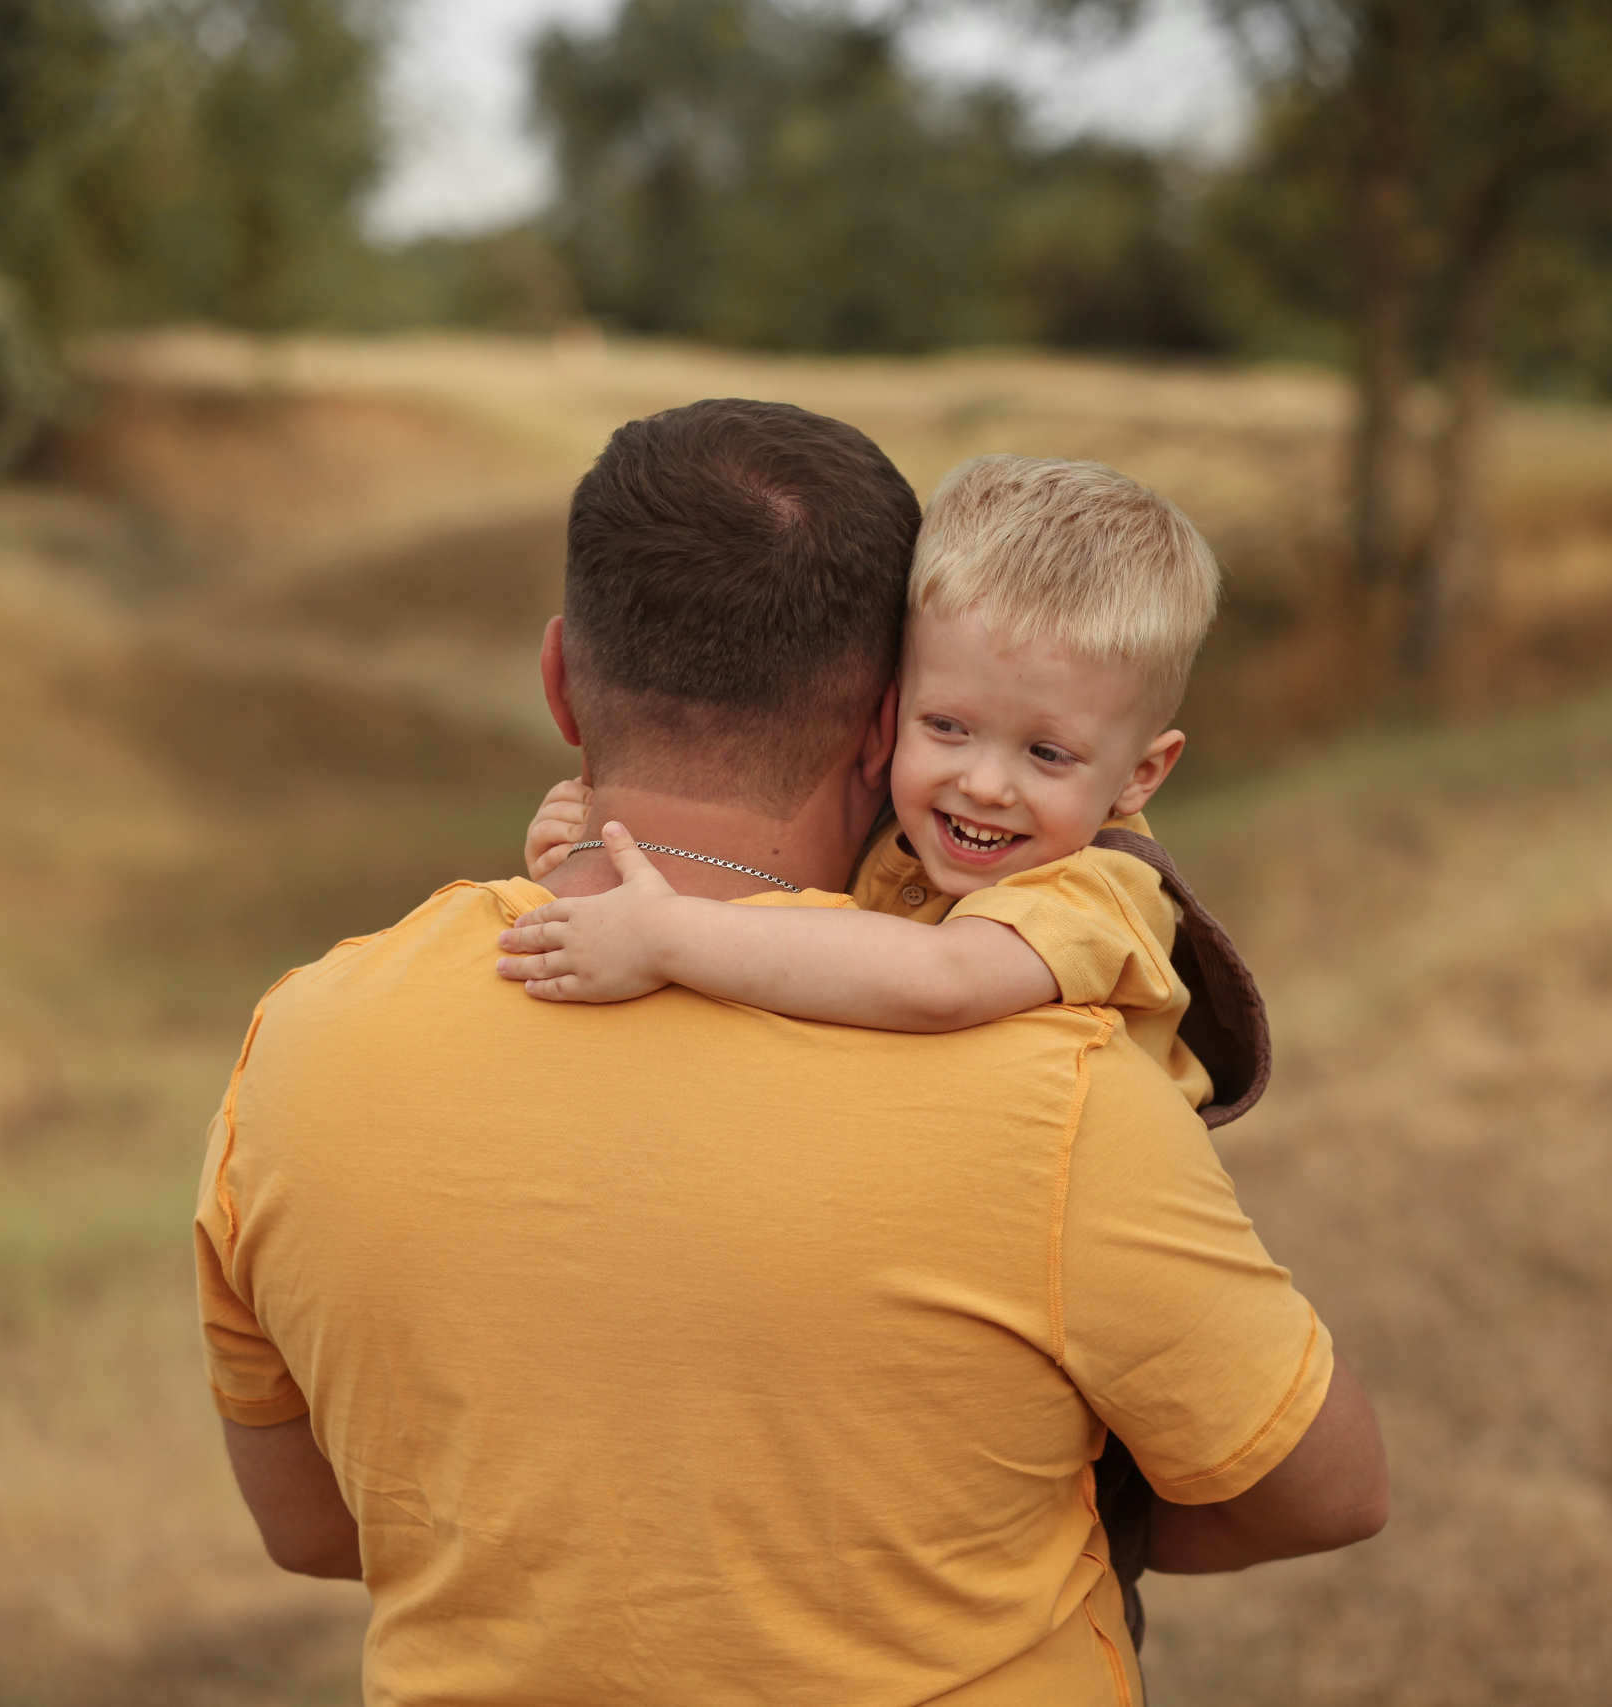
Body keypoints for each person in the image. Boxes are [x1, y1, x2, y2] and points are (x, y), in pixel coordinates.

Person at [195, 400, 1389, 1707]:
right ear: (886, 723)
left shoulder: (299, 1045)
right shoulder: (1050, 1082)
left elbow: (314, 1528)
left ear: (558, 684)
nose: (988, 783)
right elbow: (1324, 1489)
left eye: (1040, 750)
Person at [494, 453, 1256, 1124]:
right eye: (948, 726)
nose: (984, 784)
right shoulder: (906, 827)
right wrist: (593, 850)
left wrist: (662, 935)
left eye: (1048, 753)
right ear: (892, 702)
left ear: (1140, 775)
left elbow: (941, 981)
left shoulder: (1099, 893)